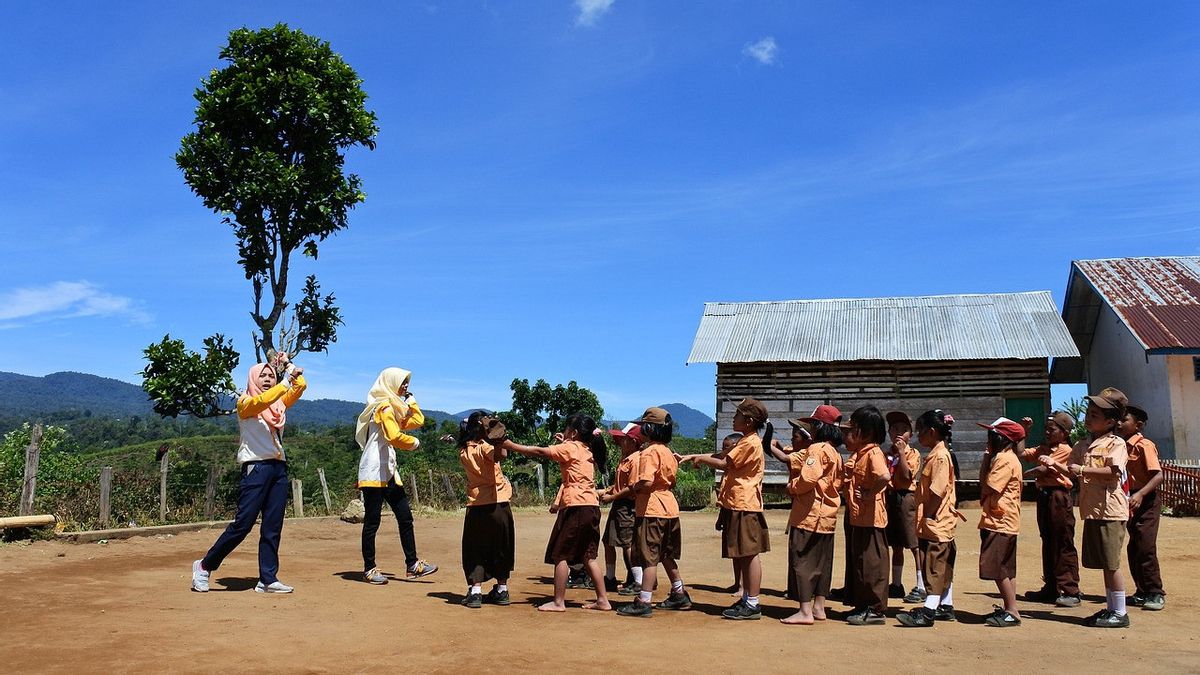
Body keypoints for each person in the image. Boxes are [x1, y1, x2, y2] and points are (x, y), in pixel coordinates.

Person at [191, 354, 306, 594]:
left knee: (273, 527)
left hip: (278, 468)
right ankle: (204, 566)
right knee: (243, 525)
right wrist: (284, 381)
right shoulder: (245, 403)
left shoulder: (278, 404)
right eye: (262, 375)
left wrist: (287, 366)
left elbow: (301, 385)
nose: (267, 378)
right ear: (252, 378)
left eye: (270, 376)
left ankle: (267, 578)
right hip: (256, 468)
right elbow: (262, 401)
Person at [501, 414, 611, 612]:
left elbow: (540, 451)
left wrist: (510, 445)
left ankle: (558, 602)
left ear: (574, 433)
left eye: (568, 429)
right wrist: (566, 442)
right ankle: (603, 600)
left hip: (576, 506)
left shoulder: (570, 447)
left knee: (561, 554)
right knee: (589, 556)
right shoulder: (587, 449)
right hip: (591, 506)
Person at [1044, 387, 1133, 628]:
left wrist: (1082, 470)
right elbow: (1071, 469)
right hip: (1093, 510)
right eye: (1089, 413)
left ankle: (1120, 612)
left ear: (1111, 421)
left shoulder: (1116, 444)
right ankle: (1111, 608)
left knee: (1112, 563)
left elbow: (1113, 472)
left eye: (1096, 414)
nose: (1089, 417)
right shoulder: (1085, 444)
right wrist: (1054, 464)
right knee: (1105, 562)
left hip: (1111, 510)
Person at [679, 398, 771, 620]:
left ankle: (752, 603)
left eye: (737, 415)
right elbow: (722, 457)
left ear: (748, 421)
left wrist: (700, 458)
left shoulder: (750, 443)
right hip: (739, 503)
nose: (733, 418)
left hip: (745, 504)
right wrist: (693, 456)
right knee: (744, 554)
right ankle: (748, 598)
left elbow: (724, 464)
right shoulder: (745, 441)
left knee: (749, 555)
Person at [355, 367, 438, 584]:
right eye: (403, 382)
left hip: (389, 471)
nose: (406, 386)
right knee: (372, 522)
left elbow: (418, 421)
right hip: (374, 471)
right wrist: (414, 443)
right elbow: (393, 435)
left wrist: (411, 401)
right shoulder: (383, 408)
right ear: (390, 383)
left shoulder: (394, 408)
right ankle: (369, 568)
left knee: (405, 517)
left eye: (407, 382)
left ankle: (413, 565)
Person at [769, 416, 843, 625]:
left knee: (802, 561)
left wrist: (792, 487)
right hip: (827, 514)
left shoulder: (817, 449)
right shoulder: (834, 452)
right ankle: (819, 607)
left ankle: (805, 611)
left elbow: (809, 478)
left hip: (809, 514)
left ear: (819, 427)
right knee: (822, 563)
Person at [617, 407, 688, 617]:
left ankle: (644, 600)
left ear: (649, 428)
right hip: (669, 508)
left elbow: (647, 482)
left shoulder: (649, 452)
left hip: (651, 509)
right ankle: (679, 592)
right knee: (665, 554)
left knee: (649, 557)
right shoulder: (668, 452)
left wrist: (634, 488)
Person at [896, 410, 960, 627]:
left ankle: (928, 611)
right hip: (938, 521)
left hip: (936, 521)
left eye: (921, 431)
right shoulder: (935, 454)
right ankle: (945, 605)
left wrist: (929, 515)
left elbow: (936, 491)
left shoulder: (940, 457)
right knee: (942, 565)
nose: (918, 436)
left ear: (932, 432)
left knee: (934, 566)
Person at [1019, 411, 1082, 607]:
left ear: (1064, 432)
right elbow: (1021, 453)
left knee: (1062, 541)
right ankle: (1051, 586)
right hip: (1045, 495)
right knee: (1048, 540)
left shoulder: (1064, 449)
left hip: (1058, 496)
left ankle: (1070, 589)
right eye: (1046, 428)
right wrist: (1024, 432)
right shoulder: (1045, 448)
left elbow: (1044, 469)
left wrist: (1032, 472)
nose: (1047, 432)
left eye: (1052, 429)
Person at [458, 411, 515, 608]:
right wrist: (498, 438)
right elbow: (502, 455)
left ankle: (475, 592)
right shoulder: (484, 447)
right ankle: (501, 589)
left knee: (475, 548)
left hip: (476, 504)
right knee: (501, 546)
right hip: (499, 503)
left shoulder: (464, 450)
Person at [841, 405, 891, 626]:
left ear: (866, 430)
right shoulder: (860, 454)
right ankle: (862, 605)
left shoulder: (873, 453)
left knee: (872, 565)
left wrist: (870, 492)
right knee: (861, 563)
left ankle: (875, 609)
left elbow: (884, 476)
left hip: (872, 519)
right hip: (859, 518)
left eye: (854, 427)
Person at [977, 417, 1025, 627]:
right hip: (1004, 520)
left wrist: (986, 459)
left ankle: (1012, 611)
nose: (989, 439)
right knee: (1006, 568)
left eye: (993, 435)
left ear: (1004, 439)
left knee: (997, 568)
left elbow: (988, 486)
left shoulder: (1004, 460)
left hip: (1000, 521)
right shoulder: (1003, 457)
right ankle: (1010, 607)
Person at [1119, 405, 1165, 611]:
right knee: (1134, 545)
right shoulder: (1122, 446)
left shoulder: (1144, 445)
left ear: (1137, 425)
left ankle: (1155, 592)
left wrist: (1140, 494)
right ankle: (1141, 590)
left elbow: (1158, 475)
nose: (1119, 423)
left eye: (1124, 419)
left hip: (1146, 499)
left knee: (1145, 545)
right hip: (1131, 499)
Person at [600, 423, 644, 596]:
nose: (620, 442)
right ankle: (610, 578)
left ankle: (638, 581)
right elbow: (621, 484)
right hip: (619, 505)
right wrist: (607, 491)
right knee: (608, 541)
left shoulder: (635, 460)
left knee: (628, 543)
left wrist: (612, 497)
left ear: (633, 441)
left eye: (624, 439)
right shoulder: (625, 458)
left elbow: (632, 487)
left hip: (627, 506)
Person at [883, 411, 922, 603]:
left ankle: (921, 585)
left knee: (913, 543)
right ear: (888, 432)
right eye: (894, 429)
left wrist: (901, 453)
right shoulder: (885, 454)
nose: (898, 433)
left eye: (904, 430)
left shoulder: (913, 454)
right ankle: (896, 584)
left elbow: (907, 476)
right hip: (890, 497)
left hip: (907, 497)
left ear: (910, 435)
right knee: (896, 544)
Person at [717, 432, 745, 596]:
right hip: (727, 510)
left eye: (726, 448)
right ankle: (737, 582)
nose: (723, 451)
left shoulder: (739, 468)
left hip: (739, 509)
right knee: (734, 551)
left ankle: (743, 586)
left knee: (742, 551)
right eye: (722, 448)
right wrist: (721, 517)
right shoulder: (728, 471)